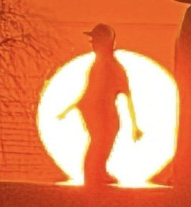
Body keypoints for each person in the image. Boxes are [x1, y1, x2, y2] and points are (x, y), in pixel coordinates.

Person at [59, 23, 143, 186]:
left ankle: (98, 172)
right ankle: (94, 174)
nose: (93, 44)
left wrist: (135, 125)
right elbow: (89, 91)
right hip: (96, 111)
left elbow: (126, 95)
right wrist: (71, 107)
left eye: (96, 41)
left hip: (104, 111)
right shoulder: (99, 65)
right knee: (99, 141)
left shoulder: (112, 67)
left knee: (102, 141)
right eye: (93, 41)